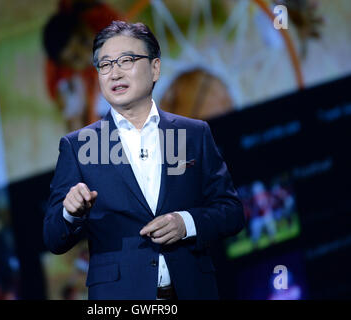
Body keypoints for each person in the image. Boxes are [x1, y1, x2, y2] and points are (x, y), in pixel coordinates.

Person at [44, 21, 245, 300]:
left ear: (155, 68)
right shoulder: (78, 146)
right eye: (105, 65)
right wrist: (70, 212)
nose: (114, 72)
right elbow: (53, 238)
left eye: (126, 60)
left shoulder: (193, 133)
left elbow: (232, 211)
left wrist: (185, 223)